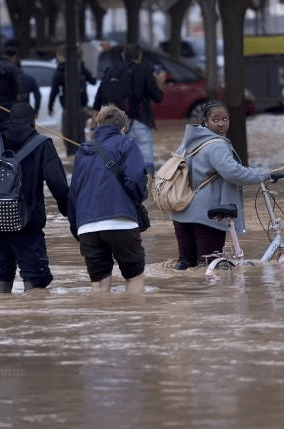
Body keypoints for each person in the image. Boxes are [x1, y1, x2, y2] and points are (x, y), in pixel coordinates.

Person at [0, 98, 69, 294]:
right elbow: (58, 184)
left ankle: (4, 319)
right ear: (32, 122)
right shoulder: (42, 144)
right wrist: (69, 213)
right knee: (34, 279)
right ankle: (30, 321)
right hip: (27, 223)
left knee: (2, 277)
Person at [170, 101, 271, 270]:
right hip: (207, 216)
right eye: (215, 119)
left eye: (225, 119)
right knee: (212, 266)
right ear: (205, 122)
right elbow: (234, 173)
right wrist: (263, 174)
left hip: (181, 213)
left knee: (186, 267)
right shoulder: (217, 145)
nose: (221, 123)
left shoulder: (188, 142)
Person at [68, 104, 148, 294]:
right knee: (134, 278)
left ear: (97, 125)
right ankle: (136, 322)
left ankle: (101, 322)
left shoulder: (83, 151)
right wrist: (139, 199)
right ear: (123, 128)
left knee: (99, 285)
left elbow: (73, 194)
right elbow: (136, 180)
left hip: (87, 227)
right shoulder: (126, 144)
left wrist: (77, 228)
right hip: (121, 222)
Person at [93, 43, 165, 180]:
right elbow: (157, 97)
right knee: (146, 157)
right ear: (139, 56)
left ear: (123, 55)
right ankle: (148, 193)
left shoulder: (110, 70)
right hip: (139, 119)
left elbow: (98, 101)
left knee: (120, 158)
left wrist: (94, 127)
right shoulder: (144, 70)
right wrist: (159, 82)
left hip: (115, 124)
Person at [48, 45, 97, 156]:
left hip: (69, 108)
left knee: (67, 132)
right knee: (80, 132)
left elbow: (54, 90)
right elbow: (93, 81)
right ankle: (82, 153)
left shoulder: (60, 71)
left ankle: (73, 153)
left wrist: (50, 106)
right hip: (81, 106)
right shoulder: (80, 68)